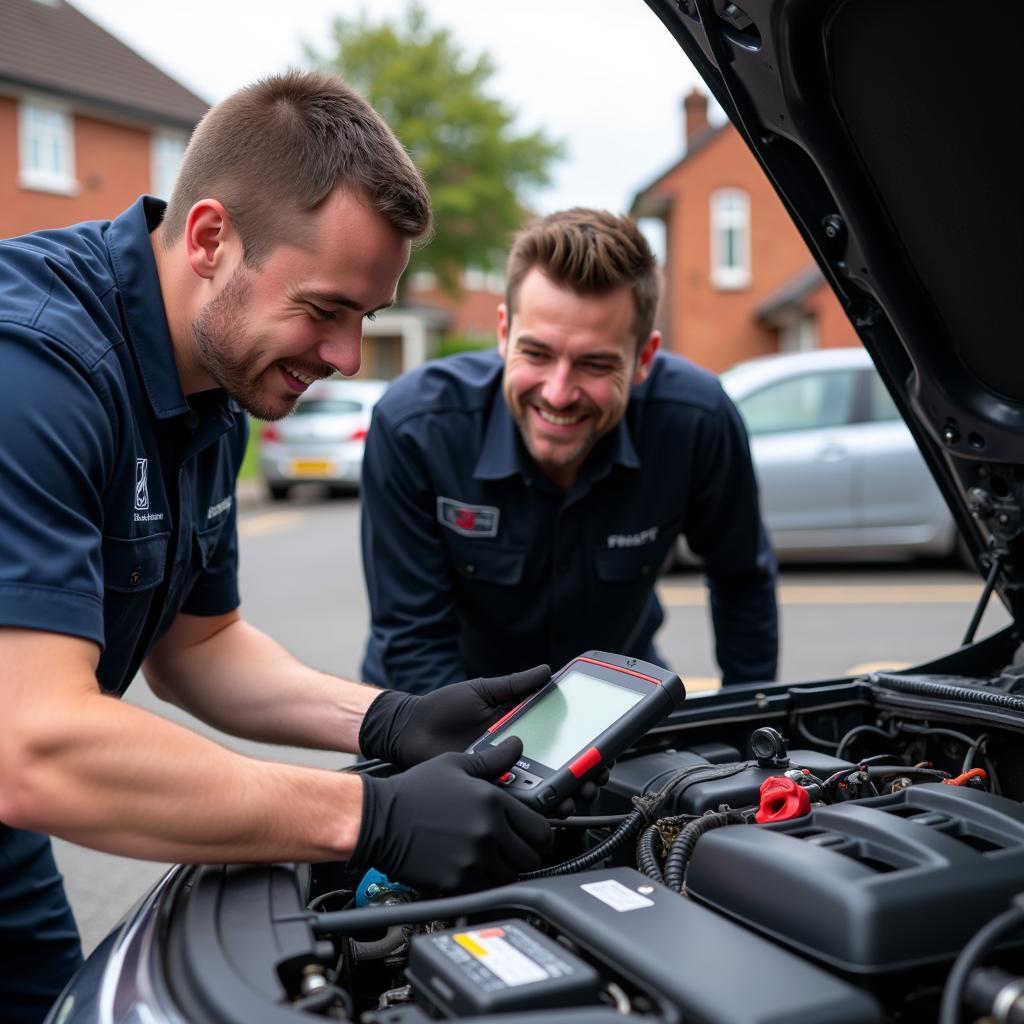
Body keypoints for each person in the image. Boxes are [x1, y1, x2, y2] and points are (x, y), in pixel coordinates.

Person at [0, 71, 556, 1024]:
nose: (346, 359)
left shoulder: (215, 382)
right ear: (211, 238)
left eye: (366, 321)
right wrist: (366, 817)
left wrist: (389, 720)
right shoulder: (31, 373)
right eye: (325, 308)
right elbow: (33, 743)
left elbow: (199, 649)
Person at [360, 208, 778, 696]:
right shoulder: (416, 429)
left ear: (644, 358)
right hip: (437, 707)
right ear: (504, 332)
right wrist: (489, 761)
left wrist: (749, 734)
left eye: (594, 364)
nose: (558, 394)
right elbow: (415, 643)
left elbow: (742, 580)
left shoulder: (697, 422)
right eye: (536, 354)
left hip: (612, 706)